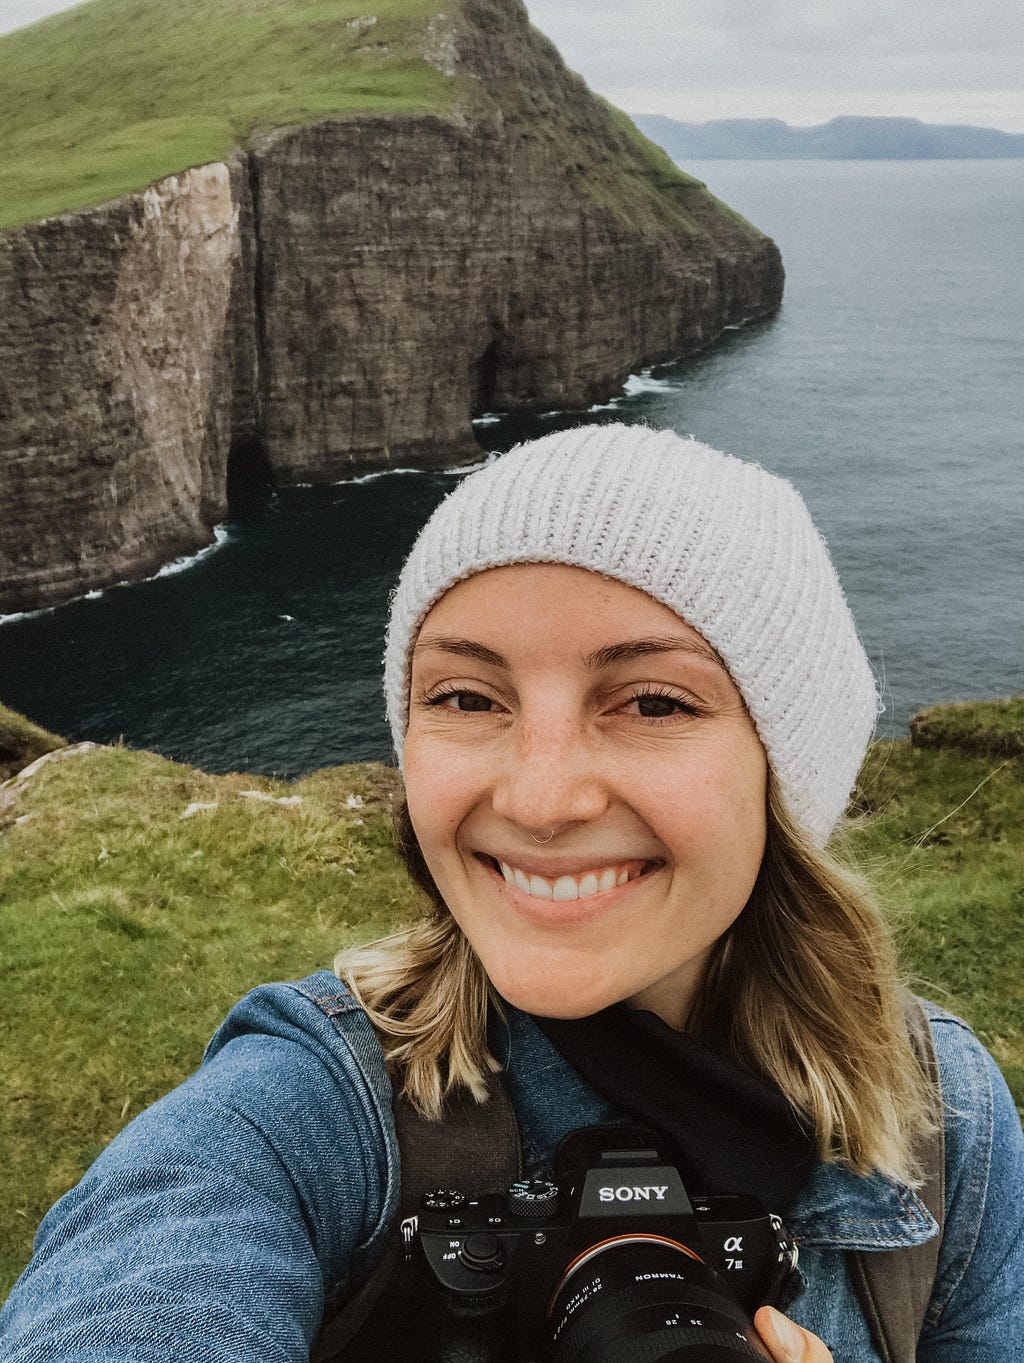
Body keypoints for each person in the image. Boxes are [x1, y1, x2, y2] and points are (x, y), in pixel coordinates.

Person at [1, 423, 1021, 1362]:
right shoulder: (311, 1107)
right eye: (466, 696)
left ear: (785, 774)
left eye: (653, 700)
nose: (538, 797)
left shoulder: (946, 1127)